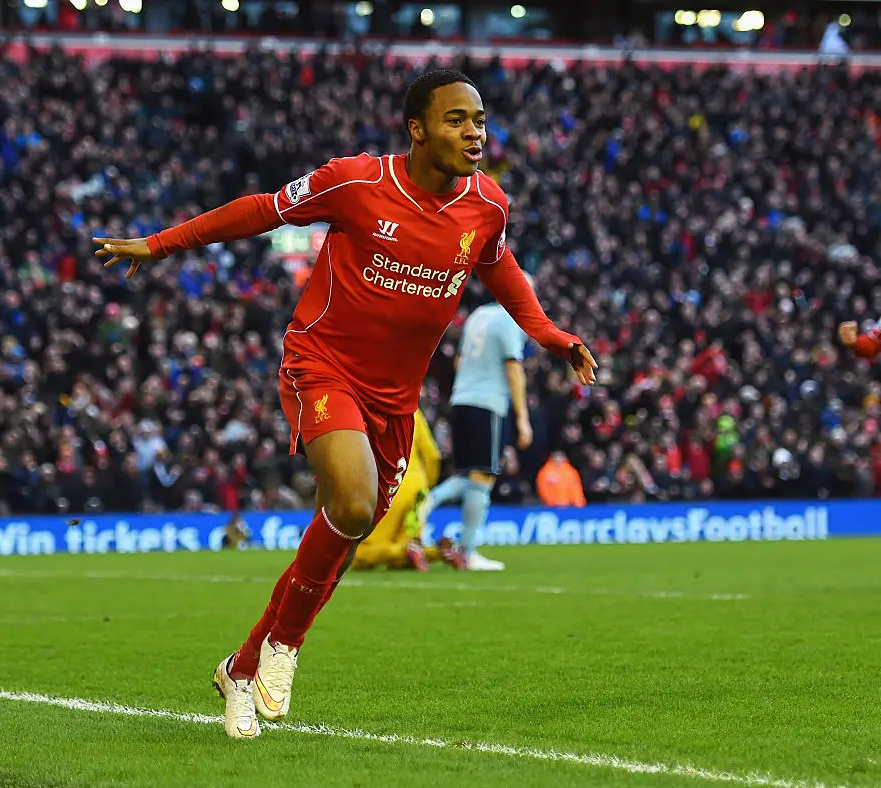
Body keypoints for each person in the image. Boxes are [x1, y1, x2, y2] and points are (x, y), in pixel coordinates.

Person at [94, 69, 597, 739]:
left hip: (395, 401)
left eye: (479, 119)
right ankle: (284, 647)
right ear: (417, 128)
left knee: (344, 530)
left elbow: (499, 267)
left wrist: (550, 335)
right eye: (456, 119)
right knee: (354, 503)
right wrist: (160, 243)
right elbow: (262, 209)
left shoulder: (488, 206)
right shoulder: (356, 181)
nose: (474, 132)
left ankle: (240, 668)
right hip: (321, 365)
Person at [425, 299, 535, 571]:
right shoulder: (509, 320)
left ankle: (427, 501)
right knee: (484, 476)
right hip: (487, 403)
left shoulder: (478, 315)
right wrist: (523, 419)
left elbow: (460, 360)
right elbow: (514, 368)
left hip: (460, 401)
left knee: (469, 476)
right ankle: (467, 551)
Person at [351, 408, 459, 571]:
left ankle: (410, 550)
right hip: (418, 489)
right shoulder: (413, 410)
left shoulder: (369, 409)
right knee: (400, 561)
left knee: (361, 555)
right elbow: (433, 455)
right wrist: (425, 488)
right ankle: (440, 552)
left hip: (389, 486)